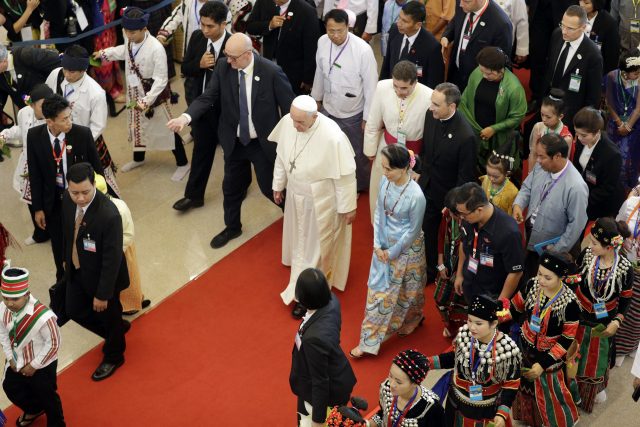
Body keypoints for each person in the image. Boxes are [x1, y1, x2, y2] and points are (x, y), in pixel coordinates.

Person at [167, 33, 296, 248]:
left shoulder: (271, 72)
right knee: (231, 188)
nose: (228, 61)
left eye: (233, 57)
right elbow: (208, 96)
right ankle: (233, 227)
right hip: (234, 140)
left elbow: (289, 108)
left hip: (262, 143)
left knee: (270, 187)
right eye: (226, 55)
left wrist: (291, 140)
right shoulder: (223, 67)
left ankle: (294, 218)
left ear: (248, 55)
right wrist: (185, 117)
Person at [270, 95, 357, 318]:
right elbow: (281, 158)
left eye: (300, 122)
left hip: (320, 202)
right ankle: (298, 269)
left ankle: (308, 293)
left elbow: (345, 176)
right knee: (299, 239)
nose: (295, 126)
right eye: (293, 120)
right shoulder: (291, 124)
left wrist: (348, 206)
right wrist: (278, 185)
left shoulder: (332, 135)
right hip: (295, 197)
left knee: (316, 246)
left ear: (315, 116)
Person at [95, 6, 191, 181]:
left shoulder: (156, 49)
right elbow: (123, 51)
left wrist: (147, 101)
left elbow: (161, 80)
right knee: (136, 126)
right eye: (126, 31)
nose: (129, 35)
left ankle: (183, 162)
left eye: (133, 32)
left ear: (144, 29)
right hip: (133, 92)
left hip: (152, 96)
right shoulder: (129, 38)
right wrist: (104, 54)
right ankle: (138, 158)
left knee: (166, 128)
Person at [350, 145, 426, 357]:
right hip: (383, 244)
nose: (384, 173)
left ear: (403, 168)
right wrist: (377, 244)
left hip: (407, 248)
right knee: (378, 294)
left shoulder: (416, 196)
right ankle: (368, 341)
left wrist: (392, 252)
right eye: (383, 168)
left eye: (388, 169)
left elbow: (413, 231)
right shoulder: (385, 181)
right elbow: (378, 212)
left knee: (411, 289)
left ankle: (414, 317)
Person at [62, 163, 130, 381]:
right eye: (75, 193)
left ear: (94, 184)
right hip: (77, 270)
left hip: (104, 279)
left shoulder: (108, 215)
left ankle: (114, 355)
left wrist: (102, 295)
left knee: (109, 316)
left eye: (85, 192)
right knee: (73, 309)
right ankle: (116, 331)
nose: (80, 198)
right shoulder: (67, 200)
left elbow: (112, 260)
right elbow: (65, 234)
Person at [27, 94, 103, 282]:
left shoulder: (82, 134)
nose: (69, 122)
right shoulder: (34, 137)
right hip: (53, 205)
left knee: (84, 247)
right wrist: (37, 208)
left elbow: (98, 173)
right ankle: (63, 284)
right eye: (64, 119)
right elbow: (35, 175)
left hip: (80, 202)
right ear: (50, 121)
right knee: (60, 250)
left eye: (70, 116)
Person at [173, 1, 232, 212]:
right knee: (201, 152)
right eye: (203, 25)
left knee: (234, 154)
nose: (205, 30)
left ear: (223, 24)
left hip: (226, 111)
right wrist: (199, 65)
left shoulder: (233, 45)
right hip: (202, 108)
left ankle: (240, 188)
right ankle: (194, 196)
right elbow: (185, 68)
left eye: (210, 26)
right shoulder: (198, 38)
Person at [427, 294, 521, 427]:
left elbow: (511, 384)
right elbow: (455, 358)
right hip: (457, 402)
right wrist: (429, 363)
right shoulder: (466, 335)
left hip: (486, 410)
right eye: (469, 320)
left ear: (494, 323)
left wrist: (502, 413)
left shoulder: (506, 349)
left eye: (478, 323)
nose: (472, 327)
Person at [311, 8, 378, 193]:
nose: (335, 35)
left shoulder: (363, 50)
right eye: (331, 30)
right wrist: (316, 99)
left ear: (348, 27)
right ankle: (333, 179)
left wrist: (368, 117)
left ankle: (358, 186)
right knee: (329, 147)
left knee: (356, 153)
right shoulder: (322, 42)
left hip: (353, 111)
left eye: (340, 31)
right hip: (329, 107)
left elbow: (371, 86)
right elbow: (319, 72)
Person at [510, 251, 581, 427]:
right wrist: (495, 317)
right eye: (539, 273)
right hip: (525, 346)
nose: (541, 280)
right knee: (526, 387)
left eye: (547, 278)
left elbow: (566, 340)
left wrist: (542, 365)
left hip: (550, 358)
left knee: (551, 394)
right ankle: (530, 418)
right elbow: (515, 307)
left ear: (561, 278)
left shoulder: (570, 304)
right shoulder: (532, 285)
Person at [573, 217, 634, 411]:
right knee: (573, 356)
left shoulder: (624, 269)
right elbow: (575, 281)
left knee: (595, 360)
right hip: (579, 316)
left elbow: (625, 299)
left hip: (603, 321)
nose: (589, 246)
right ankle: (570, 391)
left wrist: (617, 320)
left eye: (594, 243)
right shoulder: (586, 257)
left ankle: (591, 392)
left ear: (609, 247)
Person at [418, 82, 476, 282]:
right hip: (426, 185)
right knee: (424, 228)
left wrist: (454, 206)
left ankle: (436, 271)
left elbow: (465, 176)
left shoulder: (466, 136)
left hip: (446, 195)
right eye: (431, 102)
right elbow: (426, 149)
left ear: (451, 107)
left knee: (438, 234)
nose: (431, 107)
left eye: (436, 104)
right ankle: (426, 265)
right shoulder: (431, 115)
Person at [45, 44, 120, 197]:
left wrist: (79, 143)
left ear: (83, 70)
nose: (66, 74)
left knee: (99, 179)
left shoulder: (95, 93)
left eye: (71, 71)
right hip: (59, 136)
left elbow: (97, 126)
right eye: (64, 68)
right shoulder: (57, 74)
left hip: (85, 141)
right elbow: (48, 99)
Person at [513, 133, 589, 281]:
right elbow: (527, 187)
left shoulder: (576, 186)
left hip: (553, 249)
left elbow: (576, 225)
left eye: (542, 157)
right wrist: (518, 204)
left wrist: (556, 250)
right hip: (532, 238)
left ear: (557, 156)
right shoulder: (541, 167)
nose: (538, 160)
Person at [364, 60, 432, 221]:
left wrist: (422, 165)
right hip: (386, 147)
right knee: (380, 190)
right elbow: (373, 121)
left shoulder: (429, 96)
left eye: (404, 88)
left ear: (415, 83)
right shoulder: (382, 87)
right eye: (395, 86)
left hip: (413, 155)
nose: (398, 91)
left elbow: (430, 136)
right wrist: (370, 150)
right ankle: (379, 223)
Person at [289, 268, 357, 426]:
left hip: (324, 394)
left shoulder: (314, 339)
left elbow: (320, 382)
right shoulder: (332, 300)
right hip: (336, 373)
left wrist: (317, 420)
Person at [0, 266, 65, 427]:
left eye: (15, 299)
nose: (10, 303)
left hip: (42, 364)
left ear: (27, 295)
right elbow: (3, 333)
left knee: (47, 397)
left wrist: (34, 365)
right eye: (6, 298)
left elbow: (54, 343)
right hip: (17, 361)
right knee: (10, 387)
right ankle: (34, 409)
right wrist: (10, 357)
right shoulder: (3, 308)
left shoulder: (44, 317)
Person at [453, 182, 524, 304]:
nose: (461, 218)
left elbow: (515, 272)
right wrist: (459, 275)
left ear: (479, 210)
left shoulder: (508, 232)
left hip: (493, 295)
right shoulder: (468, 220)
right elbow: (464, 246)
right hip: (470, 285)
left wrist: (500, 303)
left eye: (464, 214)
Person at [459, 46, 527, 172]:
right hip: (474, 130)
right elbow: (464, 100)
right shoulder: (477, 73)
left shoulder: (513, 87)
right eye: (482, 71)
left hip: (498, 138)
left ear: (500, 70)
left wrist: (494, 129)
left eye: (489, 73)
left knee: (495, 170)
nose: (484, 76)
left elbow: (517, 116)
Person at [2, 84, 53, 246]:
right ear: (31, 105)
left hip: (48, 165)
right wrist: (4, 135)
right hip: (27, 163)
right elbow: (20, 129)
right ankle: (40, 233)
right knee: (31, 201)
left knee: (48, 200)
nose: (46, 108)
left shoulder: (53, 116)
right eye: (41, 105)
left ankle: (54, 230)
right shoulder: (24, 113)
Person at [94, 174, 150, 316]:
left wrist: (114, 252)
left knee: (128, 280)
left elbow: (129, 235)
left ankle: (131, 305)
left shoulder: (120, 208)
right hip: (104, 253)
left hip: (122, 251)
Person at [541, 5, 603, 130]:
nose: (564, 31)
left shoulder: (592, 55)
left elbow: (593, 97)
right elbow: (549, 69)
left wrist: (582, 125)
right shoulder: (557, 35)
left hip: (569, 117)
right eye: (562, 25)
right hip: (547, 108)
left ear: (583, 27)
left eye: (570, 28)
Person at [246, 0, 320, 95]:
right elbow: (250, 27)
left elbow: (311, 48)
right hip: (269, 64)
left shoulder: (307, 11)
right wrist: (269, 25)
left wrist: (308, 78)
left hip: (294, 72)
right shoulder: (263, 2)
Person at [440, 0, 513, 92]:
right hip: (455, 74)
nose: (460, 4)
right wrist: (446, 36)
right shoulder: (463, 3)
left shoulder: (501, 24)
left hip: (478, 84)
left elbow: (501, 64)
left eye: (466, 1)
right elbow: (455, 20)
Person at [573, 106, 625, 220]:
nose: (579, 138)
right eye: (577, 133)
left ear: (597, 132)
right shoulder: (582, 140)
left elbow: (606, 188)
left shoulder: (612, 154)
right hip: (585, 191)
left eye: (584, 135)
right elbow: (577, 167)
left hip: (601, 203)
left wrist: (582, 201)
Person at [368, 349, 445, 426]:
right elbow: (383, 414)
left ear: (415, 383)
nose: (392, 384)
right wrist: (367, 424)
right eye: (391, 376)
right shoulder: (386, 387)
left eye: (399, 382)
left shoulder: (431, 408)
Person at [379, 1, 444, 89]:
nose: (399, 23)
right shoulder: (394, 30)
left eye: (405, 21)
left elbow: (434, 82)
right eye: (399, 18)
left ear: (418, 25)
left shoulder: (432, 47)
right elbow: (386, 64)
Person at [527, 0, 577, 111]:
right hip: (539, 10)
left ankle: (557, 96)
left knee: (560, 55)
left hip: (565, 10)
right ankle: (536, 96)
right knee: (537, 54)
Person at [434, 189, 469, 337]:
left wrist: (460, 273)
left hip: (464, 269)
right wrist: (440, 263)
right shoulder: (447, 214)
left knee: (462, 303)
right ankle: (449, 325)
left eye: (456, 213)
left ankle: (462, 332)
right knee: (440, 298)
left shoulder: (470, 222)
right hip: (447, 263)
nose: (453, 216)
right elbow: (441, 236)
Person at [605, 49, 640, 192]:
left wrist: (628, 126)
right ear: (625, 72)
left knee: (627, 160)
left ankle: (626, 190)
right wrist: (619, 123)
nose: (638, 75)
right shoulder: (612, 76)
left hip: (634, 124)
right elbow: (609, 102)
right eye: (636, 73)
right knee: (610, 154)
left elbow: (638, 108)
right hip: (615, 124)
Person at [614, 193, 640, 367]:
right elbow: (617, 226)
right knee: (623, 306)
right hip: (625, 265)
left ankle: (631, 346)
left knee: (637, 315)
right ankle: (618, 348)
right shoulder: (631, 203)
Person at [0, 45, 61, 111]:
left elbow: (58, 63)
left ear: (4, 61)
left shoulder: (26, 55)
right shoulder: (2, 72)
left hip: (50, 106)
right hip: (30, 112)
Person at [527, 89, 574, 173]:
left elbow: (562, 166)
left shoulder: (566, 138)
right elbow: (533, 154)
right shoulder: (538, 127)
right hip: (537, 171)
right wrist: (530, 175)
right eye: (542, 114)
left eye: (548, 117)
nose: (544, 119)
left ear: (560, 116)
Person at [581, 0, 620, 75]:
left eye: (586, 3)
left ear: (596, 3)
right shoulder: (576, 16)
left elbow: (612, 57)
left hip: (597, 72)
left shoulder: (609, 23)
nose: (582, 5)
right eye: (580, 1)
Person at [480, 146, 519, 215]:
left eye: (496, 177)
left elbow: (511, 218)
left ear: (507, 173)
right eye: (489, 174)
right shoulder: (486, 180)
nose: (491, 179)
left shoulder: (512, 192)